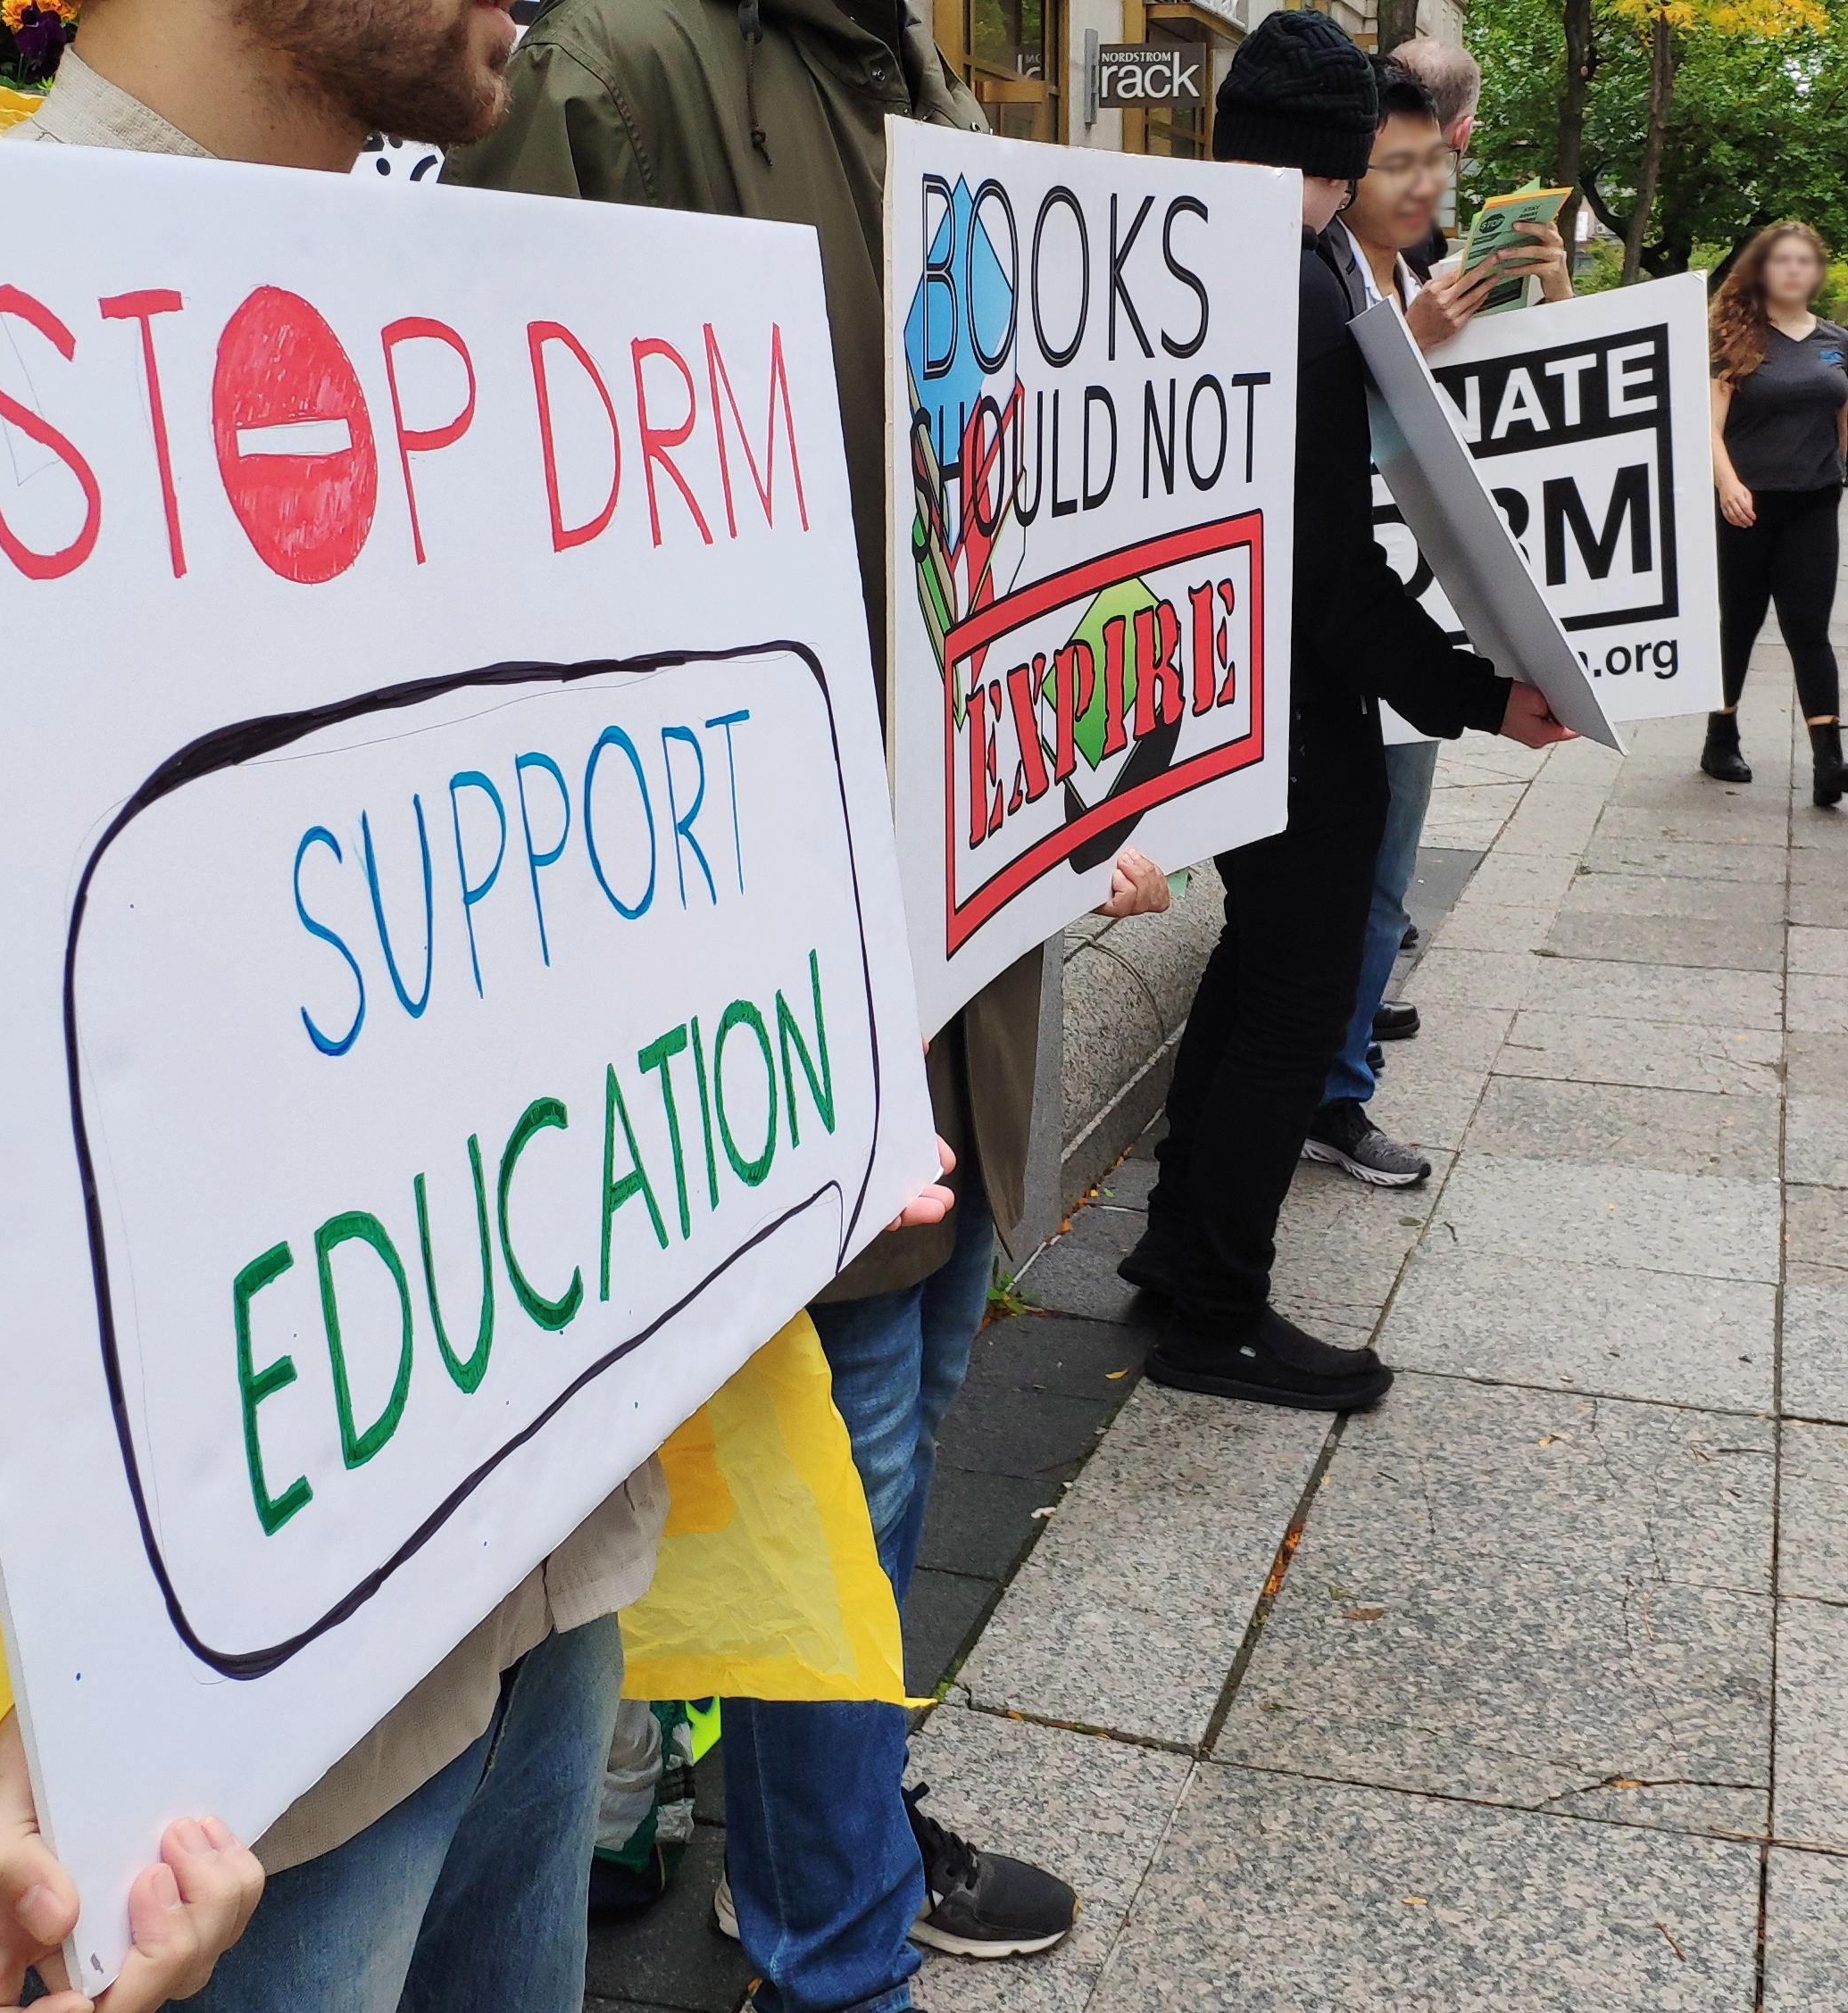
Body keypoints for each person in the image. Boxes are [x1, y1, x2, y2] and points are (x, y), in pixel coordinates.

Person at [0, 6, 958, 2010]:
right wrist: (3, 1697)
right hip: (218, 1803)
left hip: (534, 1595)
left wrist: (798, 1103)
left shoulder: (502, 331)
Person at [445, 8, 1169, 2007]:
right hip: (776, 938)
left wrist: (1087, 744)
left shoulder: (917, 86)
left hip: (953, 924)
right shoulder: (621, 65)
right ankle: (832, 1935)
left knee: (904, 1409)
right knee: (840, 1444)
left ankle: (814, 1843)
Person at [1118, 14, 1571, 1408]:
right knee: (1296, 1003)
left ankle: (1174, 1246)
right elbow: (1328, 565)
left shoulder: (1221, 252)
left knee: (1259, 971)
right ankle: (1217, 1312)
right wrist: (1476, 692)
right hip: (1294, 705)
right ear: (1326, 156)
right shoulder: (1300, 285)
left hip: (1216, 686)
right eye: (1373, 157)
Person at [1303, 50, 1559, 1189]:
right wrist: (1411, 345)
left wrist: (1548, 290)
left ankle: (1336, 1076)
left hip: (1409, 609)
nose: (1419, 178)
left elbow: (1545, 394)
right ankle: (1327, 1088)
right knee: (1346, 876)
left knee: (1380, 876)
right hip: (1349, 621)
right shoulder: (1318, 277)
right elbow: (1311, 434)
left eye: (1425, 154)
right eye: (1390, 156)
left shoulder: (1416, 274)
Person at [1699, 220, 1848, 809]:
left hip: (1813, 504)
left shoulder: (1838, 342)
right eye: (1782, 260)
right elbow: (1708, 427)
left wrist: (1837, 469)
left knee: (1808, 629)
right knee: (1737, 624)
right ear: (1764, 270)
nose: (1793, 269)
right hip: (1746, 506)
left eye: (1804, 260)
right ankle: (1721, 736)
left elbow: (1840, 415)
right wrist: (1729, 485)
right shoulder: (1732, 337)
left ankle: (1828, 760)